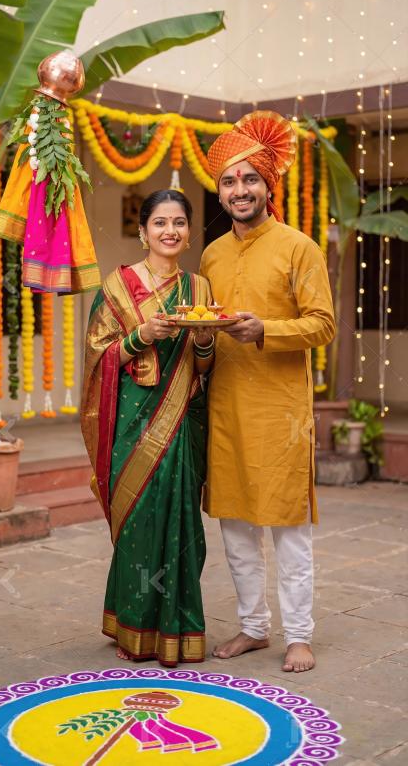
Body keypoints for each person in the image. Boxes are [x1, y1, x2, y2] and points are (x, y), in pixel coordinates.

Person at [200, 110, 336, 673]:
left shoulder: (298, 247)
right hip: (226, 407)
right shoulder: (210, 254)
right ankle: (254, 628)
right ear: (220, 190)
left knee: (288, 530)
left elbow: (323, 324)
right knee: (235, 530)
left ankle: (298, 633)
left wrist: (267, 330)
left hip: (281, 413)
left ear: (267, 185)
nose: (239, 190)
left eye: (249, 178)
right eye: (229, 181)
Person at [81, 189, 214, 667]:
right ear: (143, 231)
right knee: (139, 521)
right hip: (132, 423)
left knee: (182, 522)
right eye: (160, 223)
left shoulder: (199, 290)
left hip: (182, 420)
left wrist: (202, 342)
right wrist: (142, 335)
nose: (170, 231)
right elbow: (98, 358)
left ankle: (177, 630)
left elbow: (205, 366)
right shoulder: (116, 288)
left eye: (179, 222)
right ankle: (134, 626)